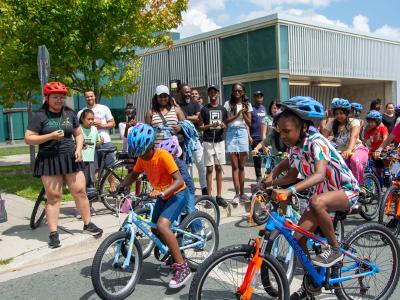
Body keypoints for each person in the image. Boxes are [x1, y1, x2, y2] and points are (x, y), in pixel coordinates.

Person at [264, 97, 360, 298]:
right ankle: (312, 282)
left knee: (316, 201)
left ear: (301, 127)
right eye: (280, 132)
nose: (283, 136)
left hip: (346, 190)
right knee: (297, 239)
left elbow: (319, 175)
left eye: (287, 131)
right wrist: (267, 182)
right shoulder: (296, 147)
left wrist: (289, 191)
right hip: (322, 196)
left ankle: (335, 249)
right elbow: (289, 173)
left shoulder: (317, 142)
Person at [24, 82, 103, 248]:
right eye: (55, 97)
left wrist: (79, 148)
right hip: (49, 160)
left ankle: (87, 223)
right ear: (47, 98)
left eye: (61, 97)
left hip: (70, 158)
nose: (59, 100)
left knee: (80, 192)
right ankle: (53, 233)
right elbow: (29, 138)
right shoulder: (40, 116)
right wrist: (50, 136)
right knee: (54, 197)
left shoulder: (69, 113)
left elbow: (78, 134)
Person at [120, 123, 191, 288]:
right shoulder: (142, 158)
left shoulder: (163, 156)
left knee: (162, 226)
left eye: (143, 152)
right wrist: (121, 185)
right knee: (154, 228)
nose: (141, 157)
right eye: (138, 153)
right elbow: (134, 175)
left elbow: (179, 181)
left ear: (152, 145)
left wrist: (163, 192)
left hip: (177, 193)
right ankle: (175, 254)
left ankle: (182, 267)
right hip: (162, 194)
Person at [157, 137, 203, 240]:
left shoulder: (179, 163)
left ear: (174, 155)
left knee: (189, 209)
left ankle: (199, 230)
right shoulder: (165, 163)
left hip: (188, 189)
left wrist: (173, 182)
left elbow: (185, 177)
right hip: (175, 189)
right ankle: (177, 229)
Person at [321, 98, 368, 185]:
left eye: (341, 113)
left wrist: (349, 149)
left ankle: (359, 186)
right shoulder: (331, 123)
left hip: (357, 149)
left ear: (347, 113)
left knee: (355, 160)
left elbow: (353, 137)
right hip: (342, 153)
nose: (339, 116)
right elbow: (323, 137)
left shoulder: (354, 121)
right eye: (337, 113)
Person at [78, 91, 116, 192]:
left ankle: (112, 187)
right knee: (93, 168)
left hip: (105, 141)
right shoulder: (81, 113)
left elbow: (112, 123)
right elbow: (78, 129)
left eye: (91, 96)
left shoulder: (104, 108)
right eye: (87, 97)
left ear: (95, 96)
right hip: (90, 145)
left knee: (110, 166)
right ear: (84, 98)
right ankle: (94, 190)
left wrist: (101, 126)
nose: (89, 98)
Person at [198, 85, 228, 208]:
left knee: (219, 168)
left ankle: (219, 196)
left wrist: (222, 125)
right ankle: (209, 197)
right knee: (209, 169)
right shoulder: (204, 109)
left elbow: (226, 124)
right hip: (208, 141)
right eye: (211, 92)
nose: (213, 94)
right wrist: (210, 125)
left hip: (220, 141)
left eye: (215, 92)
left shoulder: (223, 109)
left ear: (218, 93)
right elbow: (200, 127)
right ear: (209, 94)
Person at [224, 83, 253, 205]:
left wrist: (245, 113)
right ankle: (236, 194)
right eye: (235, 91)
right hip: (231, 132)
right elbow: (225, 121)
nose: (237, 92)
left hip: (242, 132)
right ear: (232, 92)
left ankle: (242, 193)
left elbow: (249, 123)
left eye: (239, 91)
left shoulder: (248, 104)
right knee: (234, 166)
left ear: (243, 92)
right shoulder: (227, 104)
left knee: (242, 166)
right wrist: (237, 114)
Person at [177, 84, 208, 195]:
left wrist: (185, 118)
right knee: (188, 166)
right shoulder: (177, 105)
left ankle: (204, 189)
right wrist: (190, 118)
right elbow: (181, 120)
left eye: (189, 91)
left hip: (195, 139)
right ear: (180, 92)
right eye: (186, 92)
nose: (189, 94)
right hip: (183, 140)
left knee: (200, 164)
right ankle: (191, 190)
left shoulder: (195, 104)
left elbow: (198, 119)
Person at [78, 109, 104, 217]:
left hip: (90, 161)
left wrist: (100, 142)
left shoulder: (94, 129)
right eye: (88, 119)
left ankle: (90, 207)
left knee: (90, 185)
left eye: (92, 119)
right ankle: (79, 210)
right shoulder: (78, 129)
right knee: (79, 186)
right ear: (82, 119)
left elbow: (97, 143)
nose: (90, 121)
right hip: (79, 161)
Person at [251, 100, 282, 175]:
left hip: (282, 149)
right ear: (270, 109)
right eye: (274, 108)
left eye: (278, 108)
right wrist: (259, 148)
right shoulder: (266, 119)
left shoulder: (283, 119)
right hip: (270, 148)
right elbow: (264, 137)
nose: (276, 110)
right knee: (269, 171)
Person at [363, 110, 388, 183]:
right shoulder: (369, 131)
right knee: (377, 169)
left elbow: (385, 140)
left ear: (378, 122)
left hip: (383, 150)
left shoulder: (383, 128)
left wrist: (380, 149)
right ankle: (378, 183)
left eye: (372, 122)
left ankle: (387, 171)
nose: (370, 124)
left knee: (385, 166)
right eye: (369, 122)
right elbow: (364, 141)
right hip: (373, 152)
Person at [249, 91, 267, 182]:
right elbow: (247, 124)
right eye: (257, 97)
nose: (259, 98)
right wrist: (249, 136)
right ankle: (259, 177)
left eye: (261, 97)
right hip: (255, 137)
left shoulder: (263, 108)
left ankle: (267, 175)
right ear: (254, 98)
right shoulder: (251, 109)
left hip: (264, 138)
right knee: (257, 158)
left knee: (267, 157)